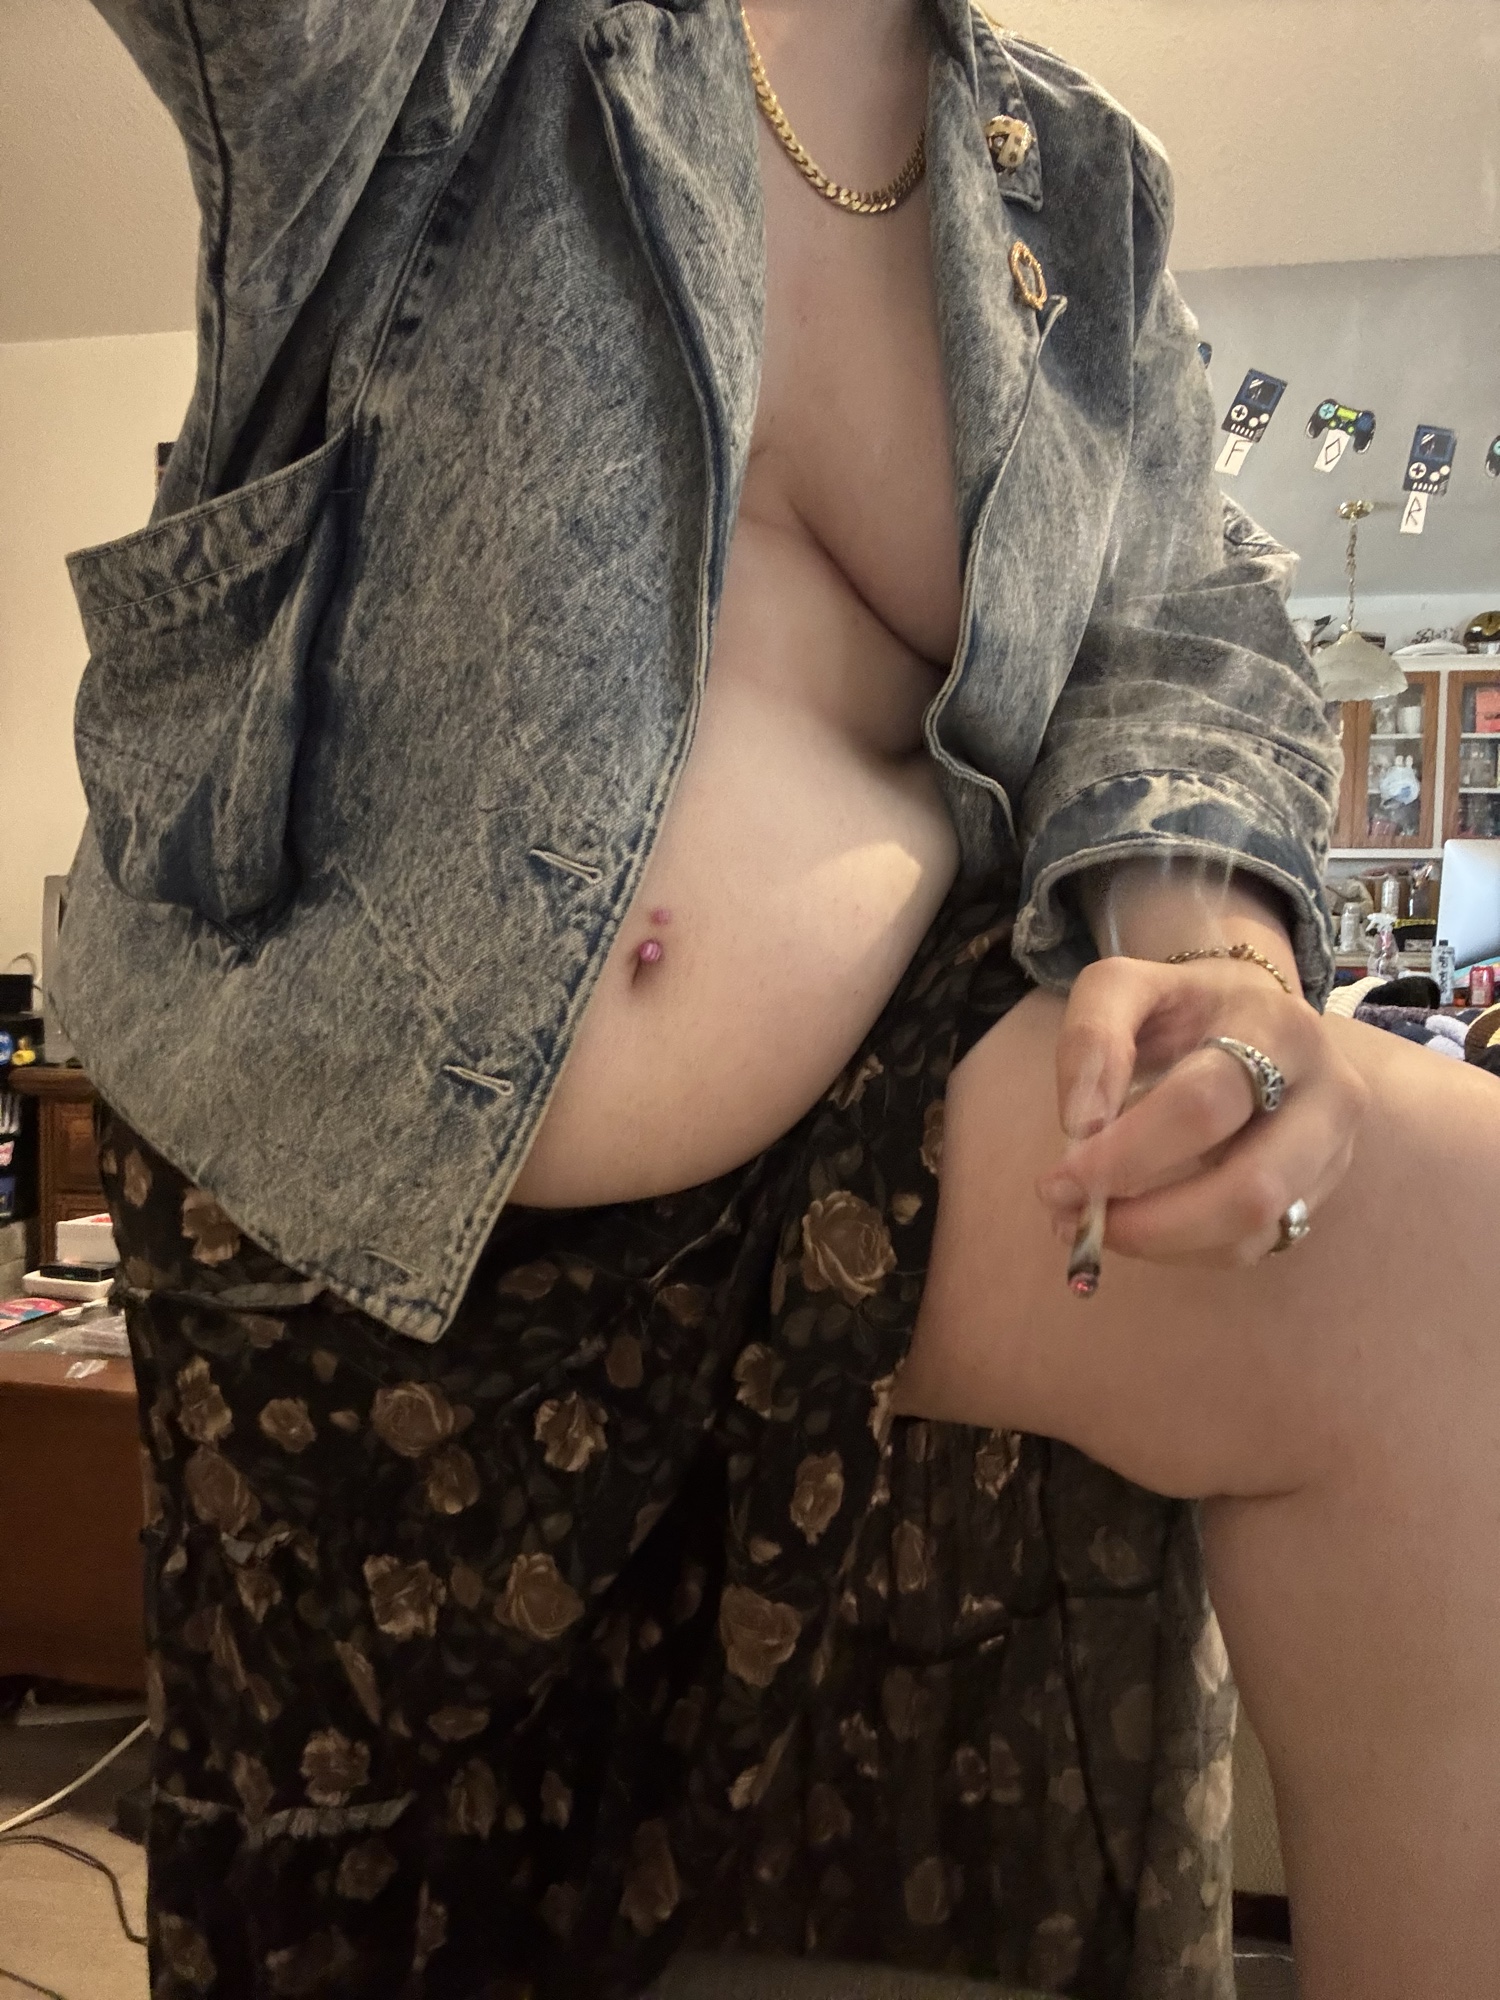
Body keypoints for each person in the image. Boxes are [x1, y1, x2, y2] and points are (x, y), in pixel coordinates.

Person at [57, 0, 1499, 1995]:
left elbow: (1175, 628)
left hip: (872, 1147)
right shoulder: (445, 41)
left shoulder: (1083, 186)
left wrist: (1212, 961)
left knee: (1435, 1248)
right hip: (356, 1186)